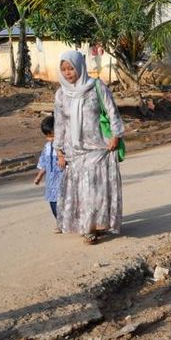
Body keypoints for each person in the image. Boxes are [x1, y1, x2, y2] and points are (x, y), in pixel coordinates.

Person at [53, 50, 125, 245]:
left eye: (71, 68)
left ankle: (92, 227)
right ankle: (89, 226)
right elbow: (59, 123)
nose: (68, 73)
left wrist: (116, 135)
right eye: (64, 69)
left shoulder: (96, 86)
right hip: (74, 149)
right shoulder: (61, 94)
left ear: (80, 67)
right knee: (83, 190)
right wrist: (58, 149)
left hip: (98, 146)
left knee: (94, 189)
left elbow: (112, 111)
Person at [34, 115, 63, 232]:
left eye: (53, 136)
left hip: (63, 180)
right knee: (53, 203)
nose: (50, 139)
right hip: (51, 182)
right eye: (48, 136)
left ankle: (66, 222)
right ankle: (60, 223)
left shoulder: (64, 146)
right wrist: (39, 176)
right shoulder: (47, 147)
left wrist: (63, 158)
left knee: (64, 202)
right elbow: (44, 163)